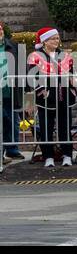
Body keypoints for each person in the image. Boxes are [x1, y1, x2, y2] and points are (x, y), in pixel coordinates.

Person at [28, 28, 77, 167]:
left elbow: (72, 74)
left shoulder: (65, 55)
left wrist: (73, 87)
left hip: (64, 96)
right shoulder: (35, 56)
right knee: (46, 128)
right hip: (46, 98)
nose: (57, 41)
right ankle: (48, 156)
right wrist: (43, 91)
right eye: (53, 38)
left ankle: (67, 155)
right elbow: (32, 77)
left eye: (57, 38)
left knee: (65, 127)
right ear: (45, 41)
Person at [1, 21, 23, 159]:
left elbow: (22, 68)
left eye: (1, 29)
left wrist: (25, 88)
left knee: (12, 119)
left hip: (11, 90)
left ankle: (12, 149)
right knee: (3, 119)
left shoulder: (13, 46)